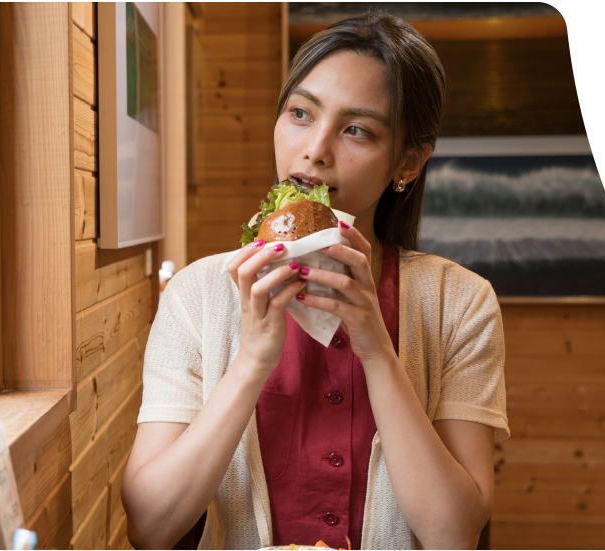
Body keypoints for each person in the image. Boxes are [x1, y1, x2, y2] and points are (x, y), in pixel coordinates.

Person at [121, 11, 507, 551]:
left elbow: (454, 535)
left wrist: (377, 351)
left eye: (356, 129)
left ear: (409, 162)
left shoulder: (460, 304)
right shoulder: (197, 294)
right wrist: (252, 361)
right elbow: (149, 527)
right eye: (301, 113)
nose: (315, 149)